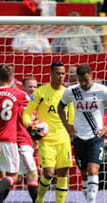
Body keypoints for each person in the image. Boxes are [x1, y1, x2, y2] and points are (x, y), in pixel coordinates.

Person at [58, 64, 107, 203]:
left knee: (93, 170)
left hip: (96, 136)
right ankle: (88, 200)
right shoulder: (72, 91)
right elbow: (60, 106)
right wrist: (67, 126)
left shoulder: (102, 90)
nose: (83, 83)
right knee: (84, 174)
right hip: (78, 136)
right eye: (80, 80)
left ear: (91, 76)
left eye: (86, 80)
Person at [23, 61, 74, 203]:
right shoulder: (40, 92)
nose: (61, 76)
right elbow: (27, 113)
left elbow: (72, 116)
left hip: (63, 138)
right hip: (46, 139)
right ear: (51, 74)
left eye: (63, 73)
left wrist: (73, 131)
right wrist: (30, 127)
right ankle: (39, 199)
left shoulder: (67, 93)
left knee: (63, 173)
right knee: (49, 173)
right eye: (58, 73)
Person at [0, 64, 28, 202]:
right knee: (14, 176)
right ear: (11, 78)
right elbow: (32, 103)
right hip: (8, 140)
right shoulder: (19, 94)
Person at [17, 76, 39, 202]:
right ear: (23, 87)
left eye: (35, 87)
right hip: (19, 142)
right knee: (33, 173)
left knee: (15, 178)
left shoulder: (36, 106)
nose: (32, 89)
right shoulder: (18, 103)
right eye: (30, 86)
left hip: (28, 144)